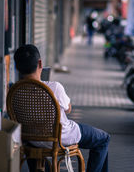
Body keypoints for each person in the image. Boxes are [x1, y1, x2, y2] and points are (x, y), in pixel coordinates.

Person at [14, 44, 110, 172]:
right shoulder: (54, 87)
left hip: (31, 139)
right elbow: (68, 109)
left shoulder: (14, 91)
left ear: (17, 67)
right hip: (60, 137)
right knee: (103, 139)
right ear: (40, 64)